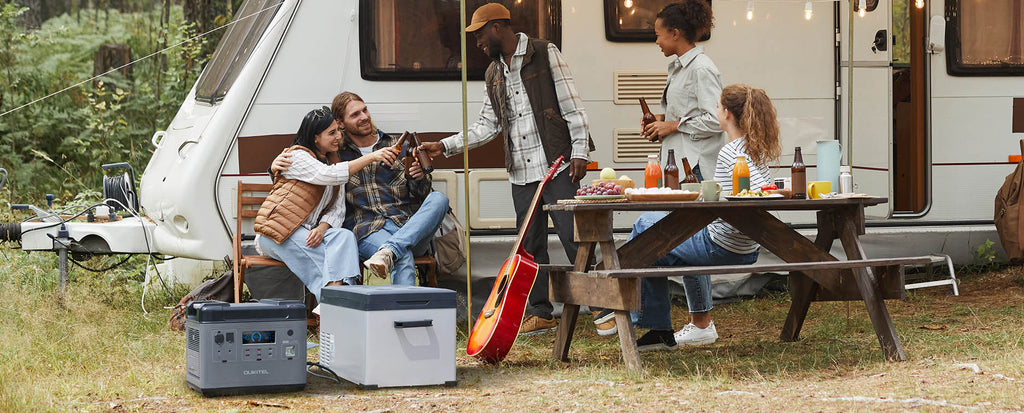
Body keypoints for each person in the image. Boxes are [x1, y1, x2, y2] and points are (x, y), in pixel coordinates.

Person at [419, 3, 610, 336]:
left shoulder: (544, 52)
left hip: (557, 164)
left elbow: (572, 105)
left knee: (573, 237)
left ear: (496, 28)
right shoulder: (494, 73)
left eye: (479, 34)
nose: (477, 42)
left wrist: (579, 150)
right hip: (521, 171)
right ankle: (541, 312)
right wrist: (445, 146)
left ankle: (602, 306)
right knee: (528, 245)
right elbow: (486, 126)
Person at [632, 84, 782, 351]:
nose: (715, 111)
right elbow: (747, 190)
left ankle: (625, 312)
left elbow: (750, 192)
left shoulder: (731, 152)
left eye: (717, 107)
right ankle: (664, 329)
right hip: (747, 245)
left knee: (646, 228)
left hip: (721, 245)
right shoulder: (754, 150)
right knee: (658, 246)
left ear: (725, 113)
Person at [273, 93, 450, 286]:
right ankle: (402, 311)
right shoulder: (336, 153)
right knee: (403, 256)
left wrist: (419, 177)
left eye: (364, 110)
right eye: (355, 114)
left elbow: (422, 194)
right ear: (340, 123)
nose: (364, 117)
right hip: (367, 229)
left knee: (439, 199)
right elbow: (305, 171)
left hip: (406, 227)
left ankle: (389, 251)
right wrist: (274, 167)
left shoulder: (398, 145)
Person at [255, 107, 398, 304]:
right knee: (327, 261)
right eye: (332, 133)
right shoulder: (295, 157)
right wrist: (372, 156)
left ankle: (335, 306)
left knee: (345, 237)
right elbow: (327, 176)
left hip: (308, 232)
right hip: (277, 233)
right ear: (315, 138)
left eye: (338, 131)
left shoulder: (332, 162)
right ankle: (340, 306)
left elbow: (337, 209)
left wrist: (323, 228)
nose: (338, 137)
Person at [642, 0, 725, 184]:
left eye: (658, 35)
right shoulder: (681, 68)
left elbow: (716, 120)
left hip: (695, 167)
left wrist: (672, 125)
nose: (656, 41)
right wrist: (662, 120)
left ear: (675, 33)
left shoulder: (700, 69)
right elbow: (690, 112)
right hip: (681, 164)